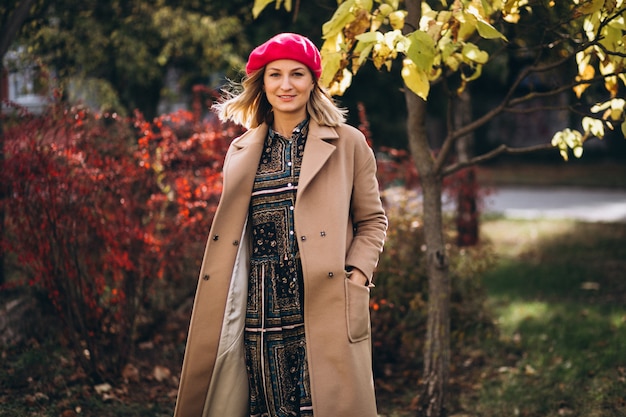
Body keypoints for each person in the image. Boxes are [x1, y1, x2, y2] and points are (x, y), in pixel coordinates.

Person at [173, 32, 387, 417]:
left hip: (326, 296)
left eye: (297, 74)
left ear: (313, 82)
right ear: (262, 83)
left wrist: (356, 276)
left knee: (326, 403)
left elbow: (372, 221)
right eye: (275, 75)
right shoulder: (241, 151)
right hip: (262, 301)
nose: (286, 85)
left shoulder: (349, 143)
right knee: (268, 404)